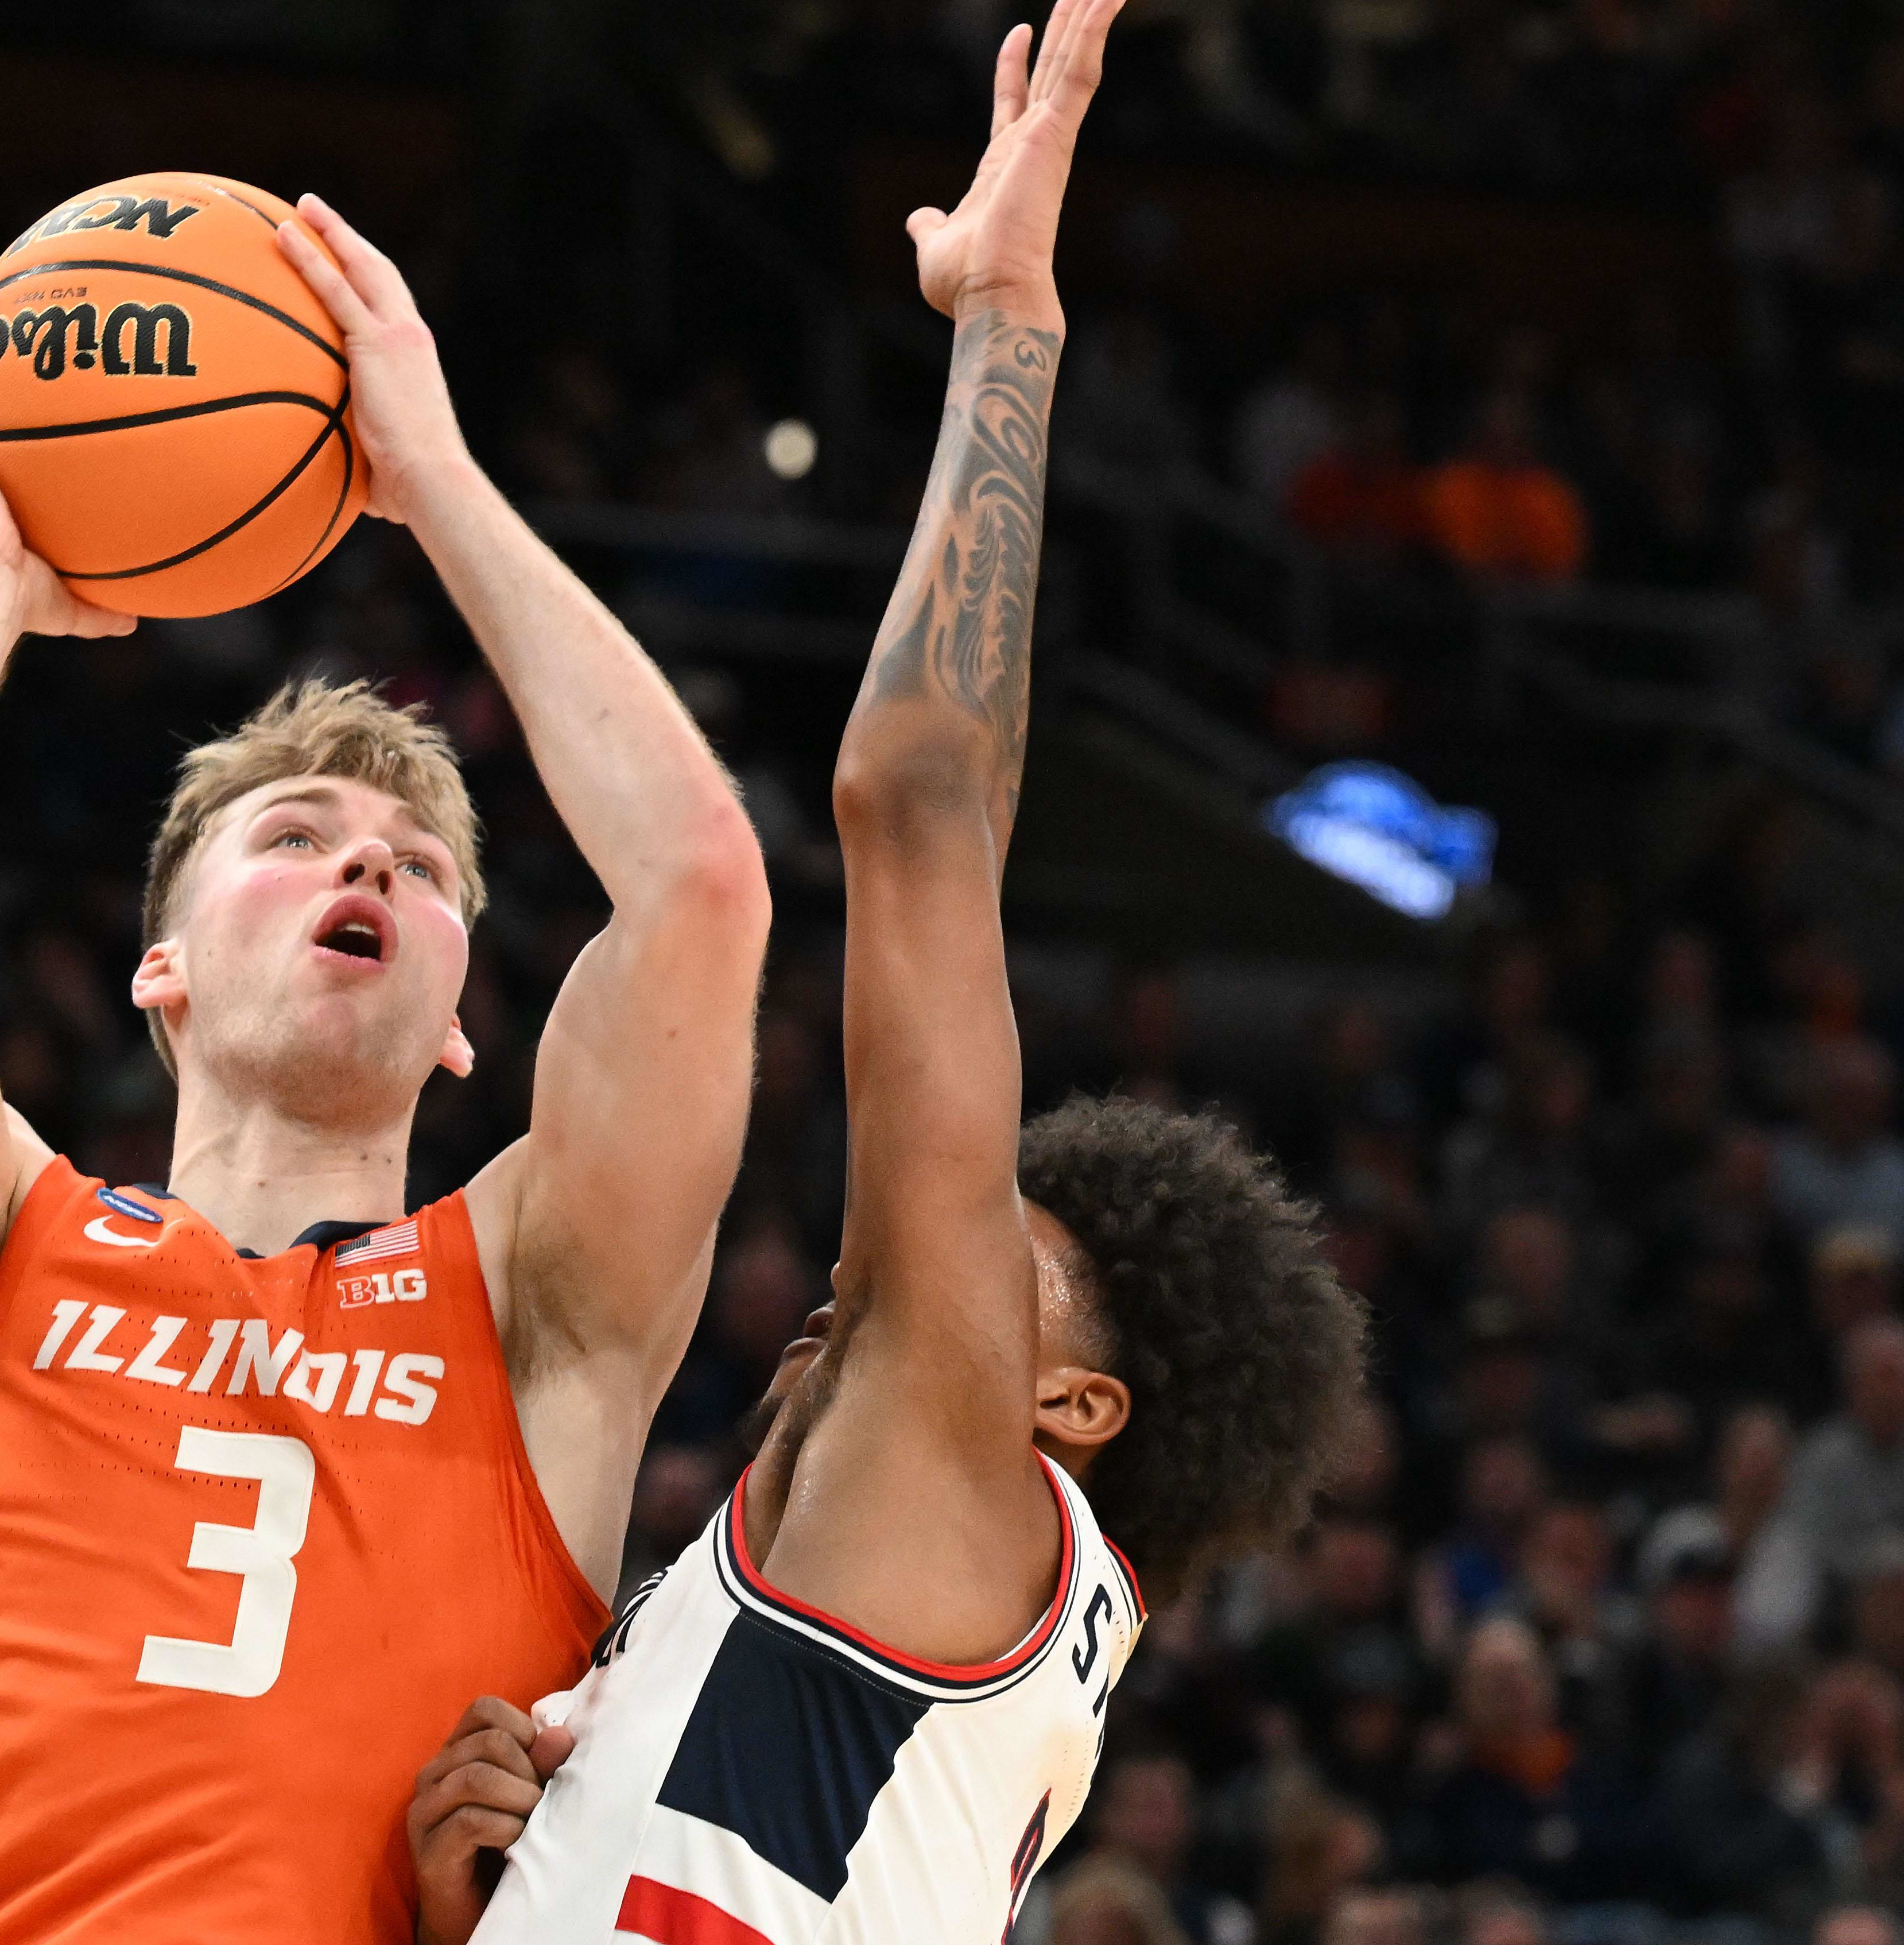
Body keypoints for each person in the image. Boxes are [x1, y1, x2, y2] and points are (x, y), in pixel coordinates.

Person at [0, 161, 770, 1945]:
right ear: (162, 969)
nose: (364, 857)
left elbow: (695, 890)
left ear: (463, 1028)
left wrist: (433, 480)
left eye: (420, 868)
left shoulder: (536, 1298)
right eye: (291, 836)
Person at [413, 9, 1365, 1938]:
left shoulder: (955, 1472)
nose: (891, 1250)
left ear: (1071, 1399)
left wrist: (1006, 325)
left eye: (985, 1239)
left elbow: (913, 796)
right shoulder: (918, 1635)